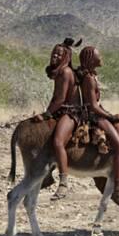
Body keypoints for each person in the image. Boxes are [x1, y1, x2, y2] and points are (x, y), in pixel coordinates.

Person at [76, 46, 119, 207]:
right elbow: (93, 106)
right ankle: (118, 189)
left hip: (96, 113)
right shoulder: (89, 79)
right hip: (93, 116)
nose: (101, 57)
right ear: (91, 58)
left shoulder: (90, 76)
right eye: (99, 55)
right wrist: (110, 116)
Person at [33, 37, 83, 200]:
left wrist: (46, 114)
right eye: (53, 53)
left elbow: (60, 99)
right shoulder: (59, 73)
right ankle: (47, 175)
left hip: (71, 113)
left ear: (66, 57)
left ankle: (63, 183)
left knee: (58, 141)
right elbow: (56, 99)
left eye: (58, 54)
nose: (54, 56)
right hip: (61, 111)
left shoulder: (65, 72)